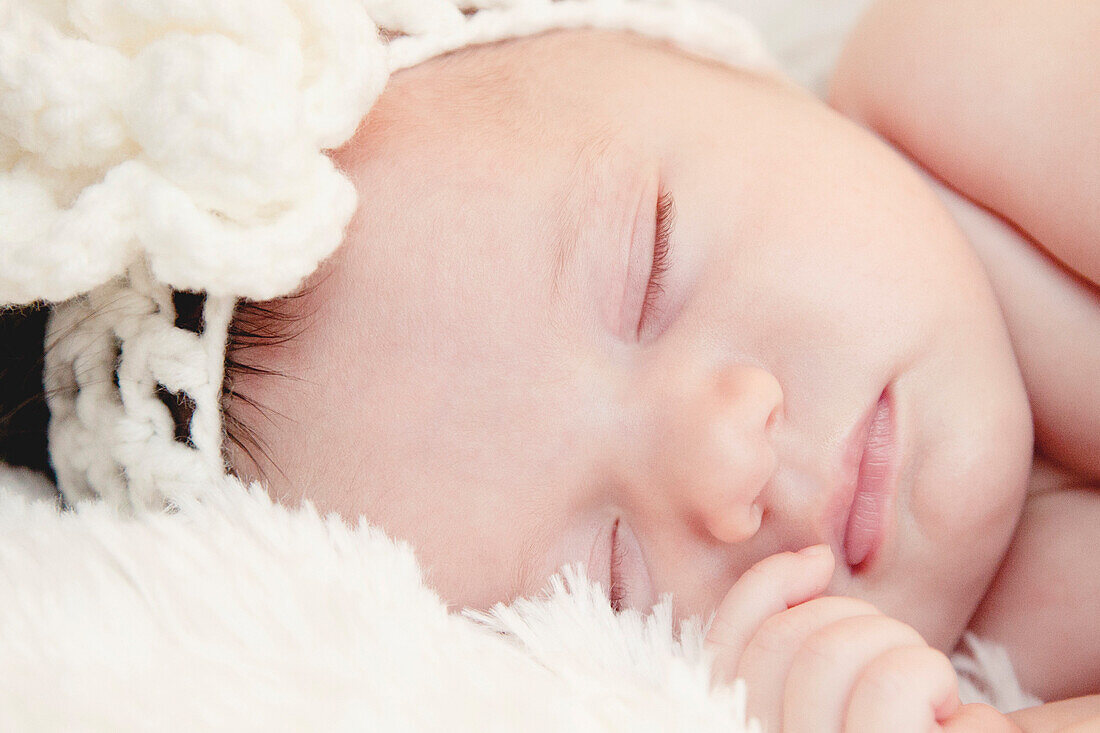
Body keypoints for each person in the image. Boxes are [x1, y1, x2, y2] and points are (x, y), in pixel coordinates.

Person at [217, 2, 1099, 730]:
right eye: (613, 576)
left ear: (708, 54)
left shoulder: (957, 71)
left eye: (653, 270)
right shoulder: (942, 682)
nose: (726, 461)